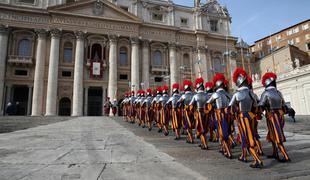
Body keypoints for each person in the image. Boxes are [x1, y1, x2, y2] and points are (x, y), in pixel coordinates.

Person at [229, 68, 263, 168]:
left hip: (243, 117)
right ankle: (243, 155)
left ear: (238, 82)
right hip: (251, 117)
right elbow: (256, 107)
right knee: (251, 135)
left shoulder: (237, 94)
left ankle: (257, 160)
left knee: (247, 138)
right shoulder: (252, 93)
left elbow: (231, 108)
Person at [258, 72, 291, 162]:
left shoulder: (265, 93)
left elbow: (261, 105)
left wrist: (258, 113)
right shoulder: (279, 93)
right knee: (272, 134)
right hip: (280, 115)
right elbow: (284, 105)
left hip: (272, 116)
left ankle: (285, 156)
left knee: (277, 135)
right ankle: (275, 152)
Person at [207, 73, 232, 158]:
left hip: (219, 114)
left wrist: (212, 106)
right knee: (226, 132)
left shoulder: (215, 94)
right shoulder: (227, 94)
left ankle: (228, 152)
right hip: (227, 114)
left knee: (221, 132)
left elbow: (208, 103)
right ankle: (223, 148)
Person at [189, 77, 209, 150]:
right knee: (204, 129)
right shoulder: (206, 95)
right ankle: (203, 143)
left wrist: (193, 113)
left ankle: (205, 144)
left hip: (199, 113)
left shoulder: (196, 96)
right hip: (206, 113)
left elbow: (190, 106)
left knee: (200, 129)